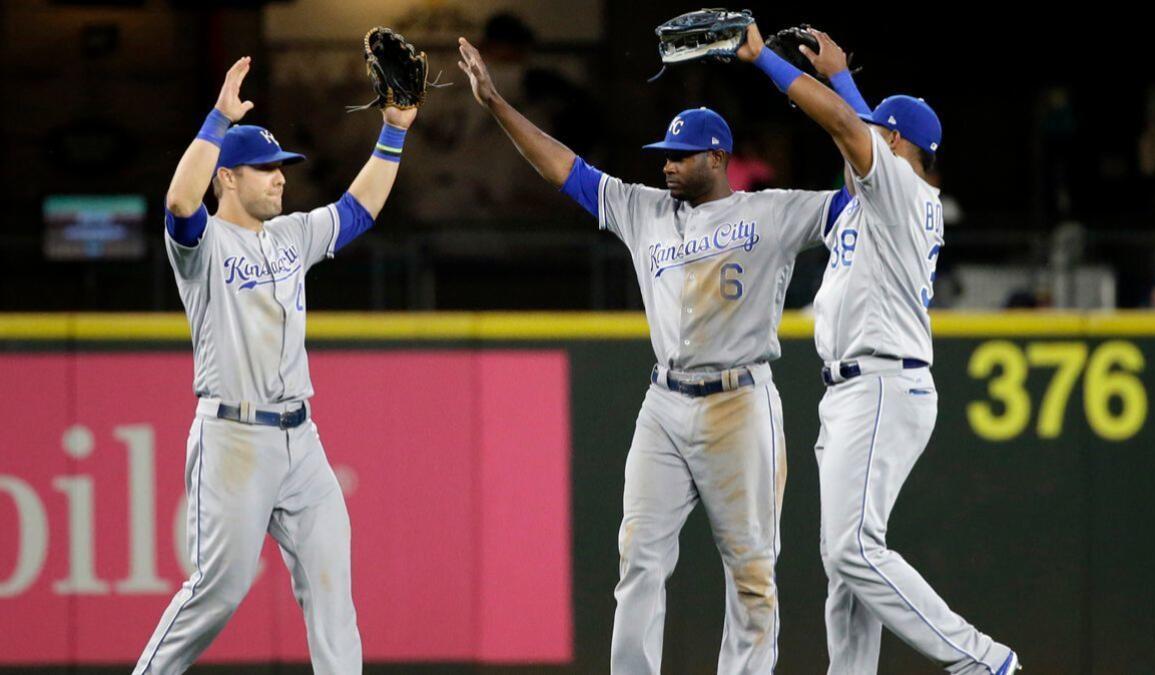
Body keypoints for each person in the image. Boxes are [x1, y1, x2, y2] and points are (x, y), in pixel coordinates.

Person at [457, 35, 838, 674]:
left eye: (681, 156)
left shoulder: (771, 213)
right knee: (638, 558)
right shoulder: (644, 211)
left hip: (739, 403)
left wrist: (840, 92)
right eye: (664, 154)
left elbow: (862, 188)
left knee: (751, 575)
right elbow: (564, 169)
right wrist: (495, 103)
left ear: (717, 158)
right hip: (664, 403)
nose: (666, 164)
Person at [736, 25, 1020, 675]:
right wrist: (842, 76)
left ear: (894, 143)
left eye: (874, 136)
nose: (855, 147)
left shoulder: (896, 185)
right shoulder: (889, 192)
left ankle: (981, 660)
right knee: (848, 571)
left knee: (853, 551)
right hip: (862, 388)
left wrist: (765, 62)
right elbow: (855, 127)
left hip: (881, 383)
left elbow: (845, 125)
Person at [132, 56, 416, 674]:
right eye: (265, 170)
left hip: (301, 441)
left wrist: (394, 129)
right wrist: (216, 120)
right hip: (232, 438)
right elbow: (180, 197)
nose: (280, 179)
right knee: (218, 591)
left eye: (282, 168)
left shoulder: (290, 236)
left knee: (333, 592)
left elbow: (359, 208)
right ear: (228, 178)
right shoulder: (202, 246)